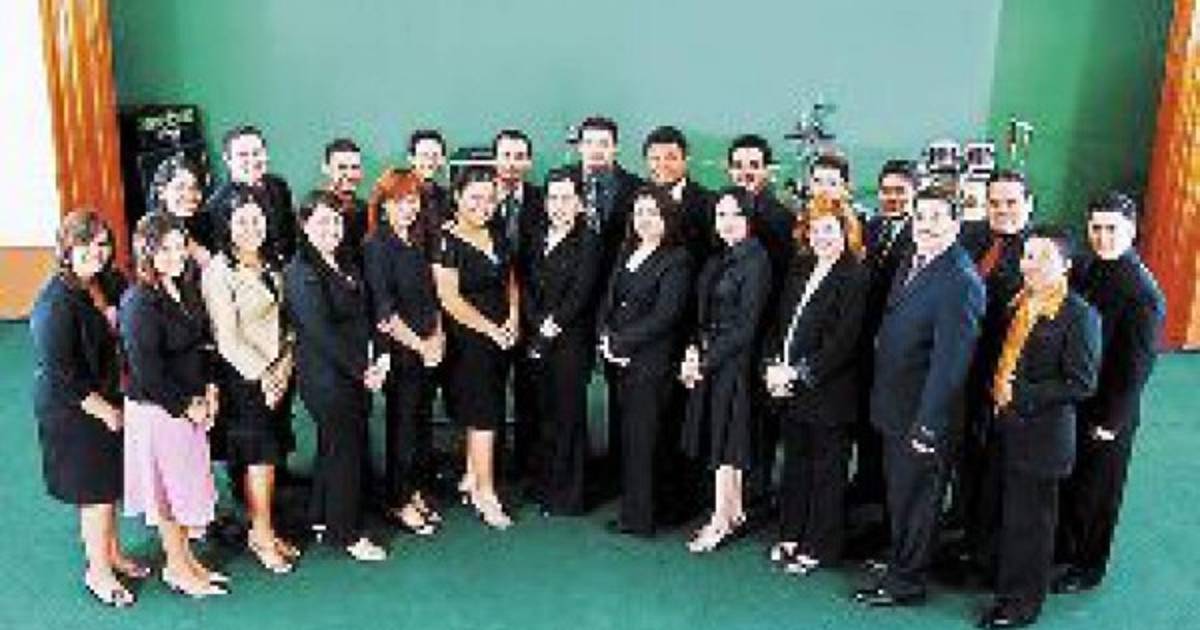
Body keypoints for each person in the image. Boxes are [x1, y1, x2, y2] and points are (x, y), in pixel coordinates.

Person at [854, 186, 985, 607]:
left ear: (957, 224)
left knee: (917, 502)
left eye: (937, 217)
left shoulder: (960, 281)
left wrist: (928, 425)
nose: (926, 225)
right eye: (921, 216)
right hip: (896, 405)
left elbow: (951, 365)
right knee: (901, 495)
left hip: (923, 416)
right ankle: (901, 560)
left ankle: (906, 583)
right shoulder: (915, 258)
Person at [977, 226, 1101, 629]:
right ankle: (1002, 585)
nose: (1030, 265)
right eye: (1028, 256)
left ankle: (1020, 606)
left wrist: (1019, 393)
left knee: (1031, 526)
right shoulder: (1020, 300)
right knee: (1006, 514)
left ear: (1065, 265)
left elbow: (1081, 383)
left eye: (1043, 257)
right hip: (1005, 426)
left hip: (1042, 437)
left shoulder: (1079, 315)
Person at [31, 210, 147, 607]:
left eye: (102, 243)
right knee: (94, 494)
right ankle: (98, 572)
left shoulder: (107, 281)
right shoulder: (54, 304)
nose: (96, 252)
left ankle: (113, 554)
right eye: (85, 244)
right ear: (66, 249)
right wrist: (104, 411)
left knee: (109, 485)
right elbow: (61, 374)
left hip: (108, 395)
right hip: (74, 411)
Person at [1054, 192, 1166, 594]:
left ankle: (1087, 567)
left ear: (1132, 230)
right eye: (1096, 228)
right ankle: (1064, 551)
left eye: (1111, 229)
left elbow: (1136, 367)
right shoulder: (1089, 268)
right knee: (1074, 483)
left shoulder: (1143, 293)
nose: (1102, 237)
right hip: (1079, 399)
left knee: (1098, 492)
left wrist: (1111, 421)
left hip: (1108, 411)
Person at [120, 212, 226, 598]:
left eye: (180, 247)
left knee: (184, 490)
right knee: (168, 494)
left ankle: (186, 561)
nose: (175, 255)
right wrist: (186, 406)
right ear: (146, 252)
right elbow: (147, 372)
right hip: (160, 412)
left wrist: (210, 389)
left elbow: (203, 343)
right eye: (164, 249)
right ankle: (177, 567)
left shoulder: (184, 285)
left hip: (190, 405)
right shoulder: (138, 302)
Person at [762, 195, 869, 575]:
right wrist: (773, 368)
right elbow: (780, 324)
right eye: (815, 229)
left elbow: (843, 342)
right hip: (791, 389)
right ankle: (791, 534)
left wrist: (795, 374)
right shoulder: (801, 267)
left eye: (830, 229)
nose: (822, 237)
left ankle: (820, 546)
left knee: (827, 473)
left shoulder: (855, 275)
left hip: (829, 392)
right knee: (795, 465)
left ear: (845, 232)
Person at [285, 191, 389, 562]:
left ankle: (321, 516)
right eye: (322, 222)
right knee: (346, 450)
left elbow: (364, 313)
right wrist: (363, 370)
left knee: (333, 447)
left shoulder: (345, 258)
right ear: (305, 225)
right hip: (327, 378)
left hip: (354, 372)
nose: (331, 228)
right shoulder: (301, 271)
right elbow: (322, 332)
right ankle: (346, 533)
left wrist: (376, 357)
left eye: (336, 221)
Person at [201, 189, 300, 573]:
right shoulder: (218, 270)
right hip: (245, 378)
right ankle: (261, 535)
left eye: (257, 219)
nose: (251, 228)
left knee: (270, 456)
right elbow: (227, 339)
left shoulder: (272, 260)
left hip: (278, 370)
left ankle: (265, 528)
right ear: (226, 225)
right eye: (241, 221)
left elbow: (286, 320)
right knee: (259, 458)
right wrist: (265, 377)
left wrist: (284, 365)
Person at [680, 187, 772, 552]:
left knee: (726, 441)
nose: (727, 222)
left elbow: (745, 328)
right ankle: (732, 512)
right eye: (721, 215)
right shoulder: (720, 256)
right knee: (721, 439)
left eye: (735, 214)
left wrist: (704, 361)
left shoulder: (756, 261)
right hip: (714, 358)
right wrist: (694, 350)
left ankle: (720, 520)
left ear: (749, 219)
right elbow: (703, 314)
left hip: (735, 364)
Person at [596, 186, 690, 537]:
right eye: (639, 213)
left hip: (652, 364)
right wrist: (605, 336)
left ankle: (641, 519)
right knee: (632, 438)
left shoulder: (677, 259)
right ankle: (639, 508)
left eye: (653, 212)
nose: (644, 220)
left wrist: (621, 341)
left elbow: (665, 315)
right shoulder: (627, 250)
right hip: (621, 362)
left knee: (646, 440)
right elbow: (608, 299)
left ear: (667, 217)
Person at [433, 165, 519, 530]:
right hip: (469, 342)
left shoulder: (496, 233)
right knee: (484, 415)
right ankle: (486, 493)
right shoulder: (445, 240)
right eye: (474, 198)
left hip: (500, 338)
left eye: (489, 199)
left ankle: (471, 477)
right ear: (457, 197)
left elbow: (510, 279)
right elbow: (450, 300)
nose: (483, 206)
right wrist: (491, 330)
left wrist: (513, 315)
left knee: (489, 407)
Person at [364, 167, 446, 536]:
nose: (407, 208)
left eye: (413, 200)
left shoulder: (417, 240)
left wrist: (438, 337)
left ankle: (415, 492)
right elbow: (385, 313)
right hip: (400, 353)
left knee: (421, 426)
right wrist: (422, 345)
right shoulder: (376, 245)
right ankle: (398, 501)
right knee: (403, 430)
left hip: (428, 350)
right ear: (383, 205)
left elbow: (433, 297)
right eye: (398, 201)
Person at [846, 159, 917, 559]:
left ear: (914, 193)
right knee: (868, 424)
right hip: (863, 345)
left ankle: (887, 519)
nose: (892, 198)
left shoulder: (921, 236)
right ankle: (866, 488)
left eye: (900, 191)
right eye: (886, 190)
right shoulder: (870, 227)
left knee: (892, 435)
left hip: (898, 352)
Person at [521, 168, 602, 516]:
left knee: (569, 417)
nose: (558, 205)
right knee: (545, 414)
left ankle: (569, 495)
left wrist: (552, 326)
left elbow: (581, 293)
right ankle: (545, 483)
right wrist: (537, 323)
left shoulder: (590, 241)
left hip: (570, 342)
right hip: (537, 337)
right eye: (552, 198)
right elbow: (525, 284)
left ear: (580, 203)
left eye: (566, 198)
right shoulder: (536, 235)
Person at [492, 128, 547, 491]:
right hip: (487, 315)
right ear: (495, 159)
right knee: (489, 394)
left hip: (532, 312)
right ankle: (490, 469)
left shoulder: (544, 200)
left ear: (528, 161)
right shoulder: (476, 197)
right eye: (505, 156)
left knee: (531, 394)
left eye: (518, 157)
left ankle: (529, 469)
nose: (511, 164)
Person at [205, 125, 296, 263]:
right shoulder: (217, 204)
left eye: (257, 152)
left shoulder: (279, 184)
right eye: (243, 155)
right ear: (227, 159)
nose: (252, 160)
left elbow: (291, 230)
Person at [643, 125, 717, 265]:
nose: (663, 165)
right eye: (655, 158)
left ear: (685, 160)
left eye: (671, 158)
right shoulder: (634, 199)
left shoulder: (708, 202)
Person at [150, 155, 213, 264]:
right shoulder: (152, 233)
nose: (190, 195)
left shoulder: (209, 223)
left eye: (194, 187)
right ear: (162, 192)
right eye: (180, 187)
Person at [321, 137, 368, 269]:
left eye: (355, 167)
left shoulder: (366, 210)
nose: (350, 174)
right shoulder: (314, 214)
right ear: (326, 169)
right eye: (342, 167)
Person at [409, 129, 453, 253]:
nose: (429, 161)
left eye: (435, 155)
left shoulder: (448, 198)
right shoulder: (397, 194)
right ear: (411, 159)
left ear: (442, 160)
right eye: (423, 155)